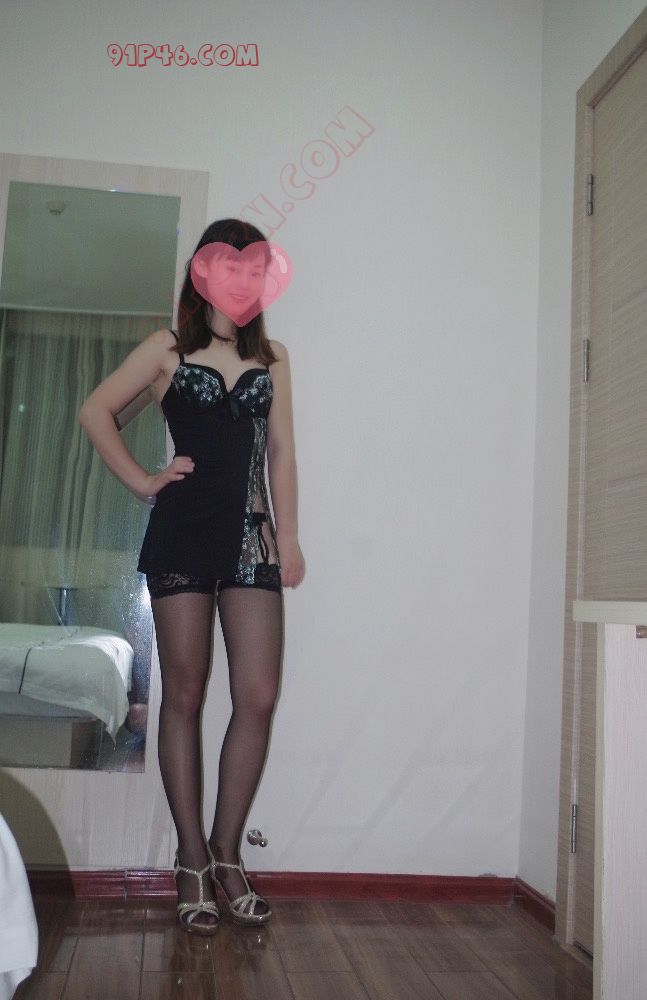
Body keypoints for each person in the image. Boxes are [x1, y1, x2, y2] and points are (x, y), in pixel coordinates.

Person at [78, 218, 306, 935]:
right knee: (183, 691)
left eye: (253, 270)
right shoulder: (167, 349)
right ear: (204, 274)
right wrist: (144, 481)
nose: (242, 281)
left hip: (249, 537)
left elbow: (281, 452)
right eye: (230, 268)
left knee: (258, 695)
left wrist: (289, 536)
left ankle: (227, 853)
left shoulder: (273, 357)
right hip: (181, 533)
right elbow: (95, 411)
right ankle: (191, 861)